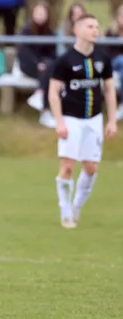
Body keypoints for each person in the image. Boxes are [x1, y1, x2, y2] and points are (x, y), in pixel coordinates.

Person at [48, 14, 118, 229]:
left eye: (97, 26)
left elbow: (108, 89)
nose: (95, 30)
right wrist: (59, 122)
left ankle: (77, 207)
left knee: (90, 169)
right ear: (77, 31)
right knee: (68, 166)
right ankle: (66, 211)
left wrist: (112, 120)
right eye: (90, 26)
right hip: (71, 118)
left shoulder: (102, 59)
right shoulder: (65, 60)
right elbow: (53, 92)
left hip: (94, 119)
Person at [17, 1, 57, 127]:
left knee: (49, 69)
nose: (40, 16)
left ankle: (40, 95)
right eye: (37, 13)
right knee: (48, 73)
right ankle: (45, 112)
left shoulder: (50, 32)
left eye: (42, 13)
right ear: (33, 14)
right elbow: (23, 53)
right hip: (29, 65)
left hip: (45, 66)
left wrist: (44, 63)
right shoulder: (26, 30)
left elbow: (52, 53)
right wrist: (37, 64)